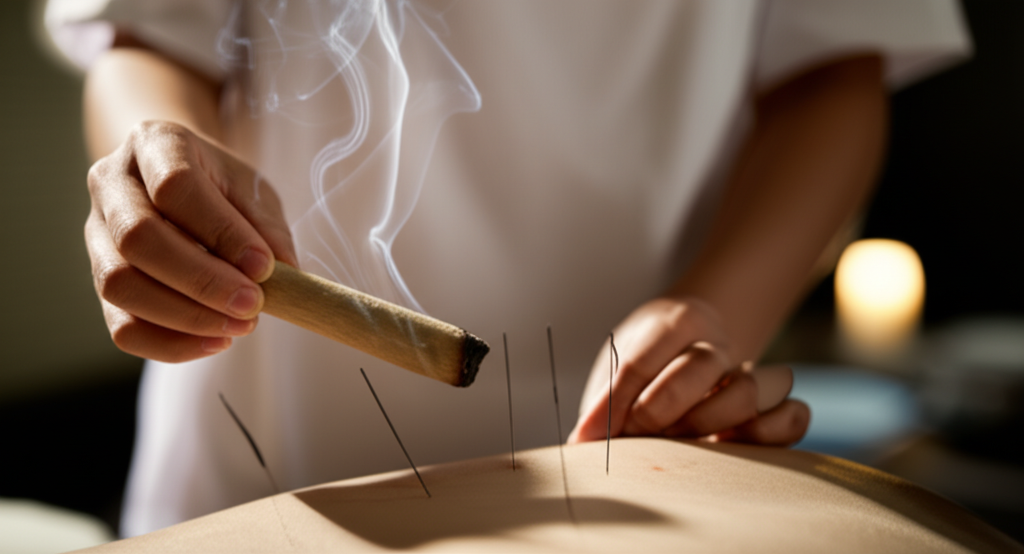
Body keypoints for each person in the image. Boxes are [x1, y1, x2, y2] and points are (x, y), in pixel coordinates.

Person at [45, 0, 969, 537]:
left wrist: (715, 313)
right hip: (257, 475)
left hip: (633, 469)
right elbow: (151, 34)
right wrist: (160, 175)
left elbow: (834, 70)